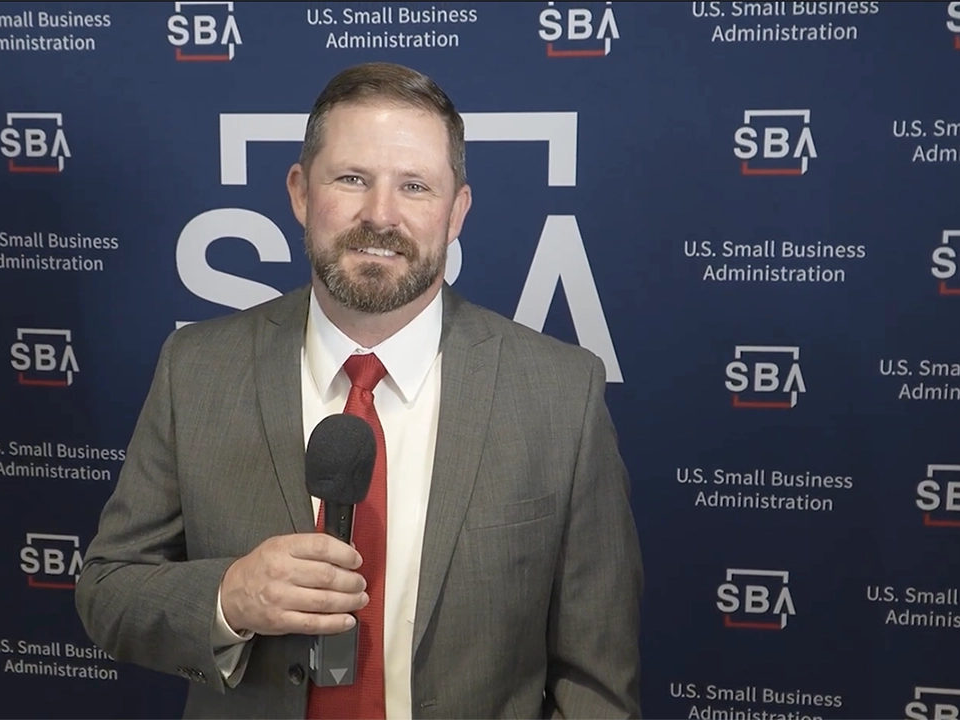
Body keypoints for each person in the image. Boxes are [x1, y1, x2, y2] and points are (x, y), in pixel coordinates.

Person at [74, 61, 644, 720]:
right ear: (298, 192)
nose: (381, 215)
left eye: (415, 187)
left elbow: (596, 682)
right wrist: (228, 596)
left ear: (456, 212)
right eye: (351, 179)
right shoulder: (196, 368)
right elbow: (108, 590)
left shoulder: (559, 394)